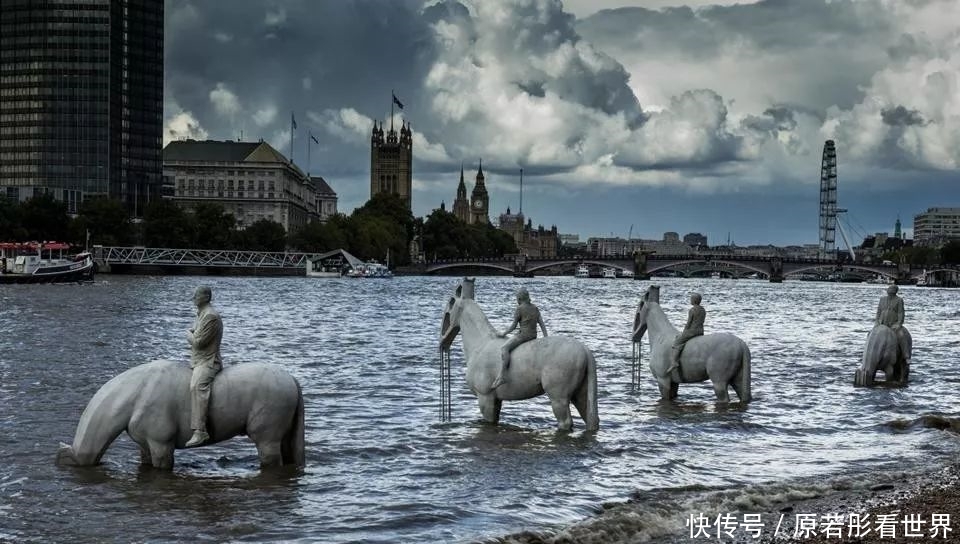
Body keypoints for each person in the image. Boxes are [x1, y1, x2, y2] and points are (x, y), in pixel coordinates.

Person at [185, 285, 223, 448]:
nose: (194, 298)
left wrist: (188, 334)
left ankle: (200, 431)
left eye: (197, 295)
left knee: (197, 386)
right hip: (197, 360)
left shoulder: (211, 316)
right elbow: (196, 332)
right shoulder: (201, 314)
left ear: (206, 297)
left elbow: (199, 343)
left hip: (208, 361)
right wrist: (192, 333)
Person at [491, 287, 547, 389]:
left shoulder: (519, 309)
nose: (517, 300)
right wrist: (546, 337)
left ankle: (502, 375)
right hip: (533, 335)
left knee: (504, 348)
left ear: (520, 299)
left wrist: (503, 334)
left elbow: (513, 326)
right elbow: (542, 323)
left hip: (523, 336)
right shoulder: (535, 308)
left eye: (517, 298)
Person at [667, 292, 705, 379]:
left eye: (691, 299)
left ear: (694, 300)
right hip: (700, 331)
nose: (690, 300)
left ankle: (674, 362)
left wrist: (684, 332)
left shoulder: (692, 310)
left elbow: (689, 323)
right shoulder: (703, 310)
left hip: (692, 331)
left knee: (677, 342)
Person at [875, 284, 910, 363]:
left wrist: (899, 324)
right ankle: (867, 357)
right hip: (882, 324)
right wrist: (877, 322)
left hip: (893, 325)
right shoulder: (882, 299)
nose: (890, 291)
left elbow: (901, 313)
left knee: (901, 336)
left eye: (892, 290)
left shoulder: (899, 300)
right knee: (870, 335)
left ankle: (906, 356)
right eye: (889, 290)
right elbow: (878, 312)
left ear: (895, 292)